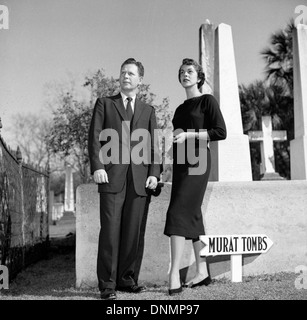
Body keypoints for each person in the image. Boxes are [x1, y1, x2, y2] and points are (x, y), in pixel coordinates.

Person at [88, 58, 161, 300]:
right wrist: (97, 167)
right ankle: (107, 285)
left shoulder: (148, 111)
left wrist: (154, 173)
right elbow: (95, 137)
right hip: (111, 176)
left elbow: (154, 147)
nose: (125, 76)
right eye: (122, 72)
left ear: (140, 79)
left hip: (140, 180)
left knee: (133, 230)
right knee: (109, 231)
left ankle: (127, 279)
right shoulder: (105, 104)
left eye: (130, 73)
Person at [164, 58, 227, 295]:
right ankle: (202, 271)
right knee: (192, 213)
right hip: (180, 164)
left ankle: (174, 274)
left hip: (199, 160)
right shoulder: (180, 109)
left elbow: (220, 132)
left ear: (199, 77)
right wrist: (167, 164)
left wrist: (190, 137)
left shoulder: (207, 101)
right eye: (181, 72)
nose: (185, 75)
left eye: (190, 71)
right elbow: (176, 138)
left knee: (177, 211)